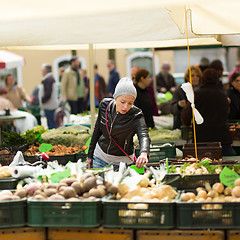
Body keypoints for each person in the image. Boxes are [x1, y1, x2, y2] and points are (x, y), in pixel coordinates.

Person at [86, 77, 150, 169]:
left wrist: (144, 152)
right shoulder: (104, 105)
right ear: (115, 97)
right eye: (122, 102)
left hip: (124, 163)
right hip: (100, 158)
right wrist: (89, 156)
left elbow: (143, 134)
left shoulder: (136, 114)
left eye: (130, 103)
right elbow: (97, 130)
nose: (125, 107)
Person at [181, 68, 234, 156]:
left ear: (203, 79)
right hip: (222, 141)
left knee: (204, 168)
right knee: (226, 166)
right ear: (217, 79)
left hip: (201, 141)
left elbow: (186, 117)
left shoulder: (196, 95)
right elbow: (227, 112)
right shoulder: (223, 95)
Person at [38, 64, 59, 129]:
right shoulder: (50, 78)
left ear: (45, 71)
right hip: (50, 105)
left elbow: (48, 93)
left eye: (42, 70)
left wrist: (43, 100)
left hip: (49, 105)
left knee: (51, 124)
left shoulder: (48, 79)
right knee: (51, 122)